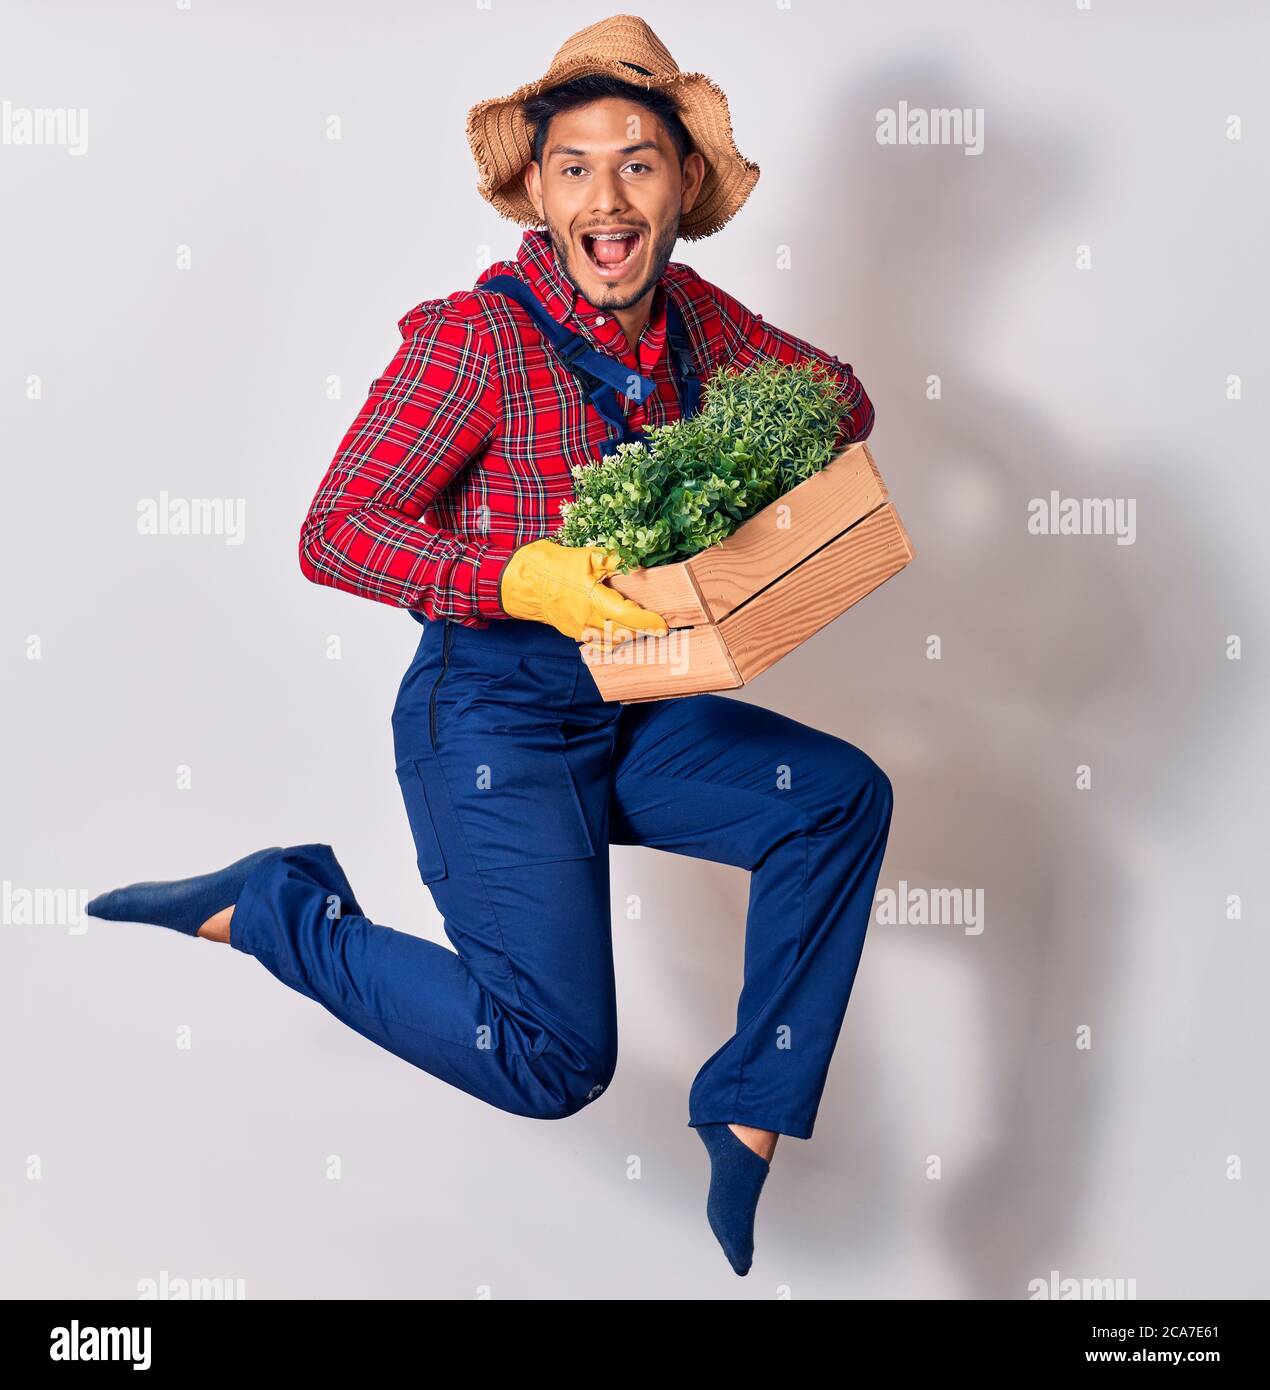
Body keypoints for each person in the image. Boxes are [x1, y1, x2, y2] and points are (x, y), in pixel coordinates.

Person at [86, 14, 893, 1278]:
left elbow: (841, 397)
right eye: (576, 165)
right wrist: (518, 573)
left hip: (633, 701)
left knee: (836, 799)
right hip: (493, 720)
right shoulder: (480, 340)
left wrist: (715, 488)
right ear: (539, 190)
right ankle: (273, 905)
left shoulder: (693, 323)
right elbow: (333, 530)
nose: (608, 194)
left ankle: (749, 1104)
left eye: (639, 161)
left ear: (681, 185)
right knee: (553, 1061)